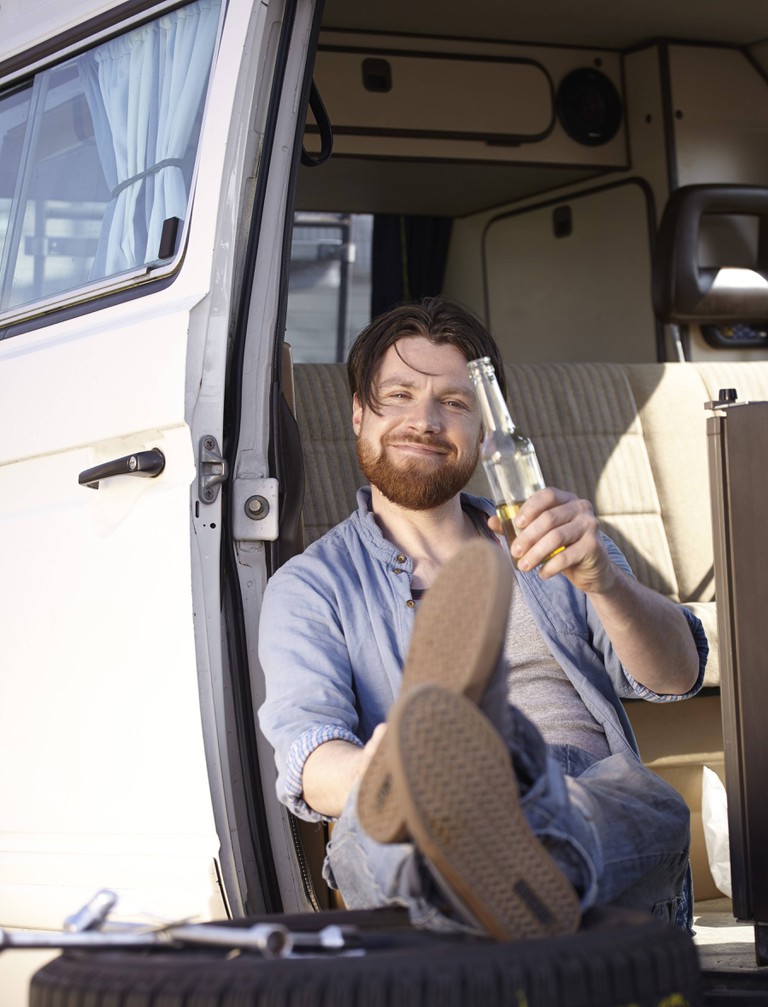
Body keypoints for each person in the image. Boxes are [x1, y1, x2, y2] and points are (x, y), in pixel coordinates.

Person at [258, 297, 708, 939]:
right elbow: (309, 756)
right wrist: (384, 774)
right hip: (428, 805)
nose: (425, 419)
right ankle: (501, 838)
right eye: (400, 395)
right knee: (377, 830)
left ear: (485, 430)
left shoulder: (552, 537)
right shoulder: (309, 588)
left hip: (585, 791)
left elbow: (677, 674)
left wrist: (606, 584)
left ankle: (509, 832)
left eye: (455, 402)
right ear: (358, 412)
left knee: (642, 801)